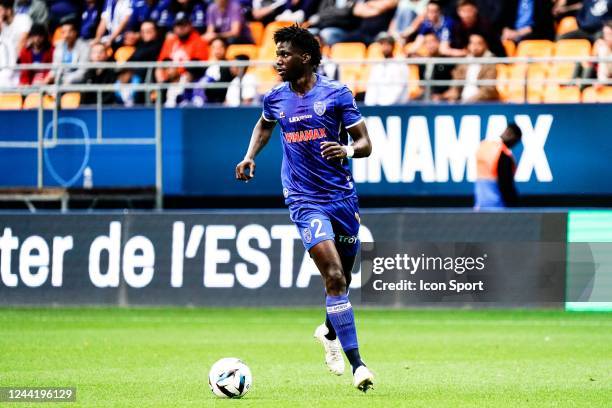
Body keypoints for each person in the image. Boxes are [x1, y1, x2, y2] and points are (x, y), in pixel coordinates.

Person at [235, 25, 374, 392]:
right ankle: (358, 364)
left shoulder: (337, 94)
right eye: (277, 52)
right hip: (303, 199)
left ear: (306, 57)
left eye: (284, 54)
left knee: (344, 275)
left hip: (342, 198)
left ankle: (329, 331)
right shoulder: (275, 97)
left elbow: (365, 144)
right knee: (334, 276)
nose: (277, 60)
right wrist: (250, 156)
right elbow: (265, 126)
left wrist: (346, 150)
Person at [474, 123, 522, 209]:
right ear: (510, 134)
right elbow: (506, 186)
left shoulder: (484, 146)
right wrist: (516, 207)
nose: (514, 144)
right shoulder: (503, 155)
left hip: (480, 207)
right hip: (498, 209)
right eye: (516, 141)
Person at [441, 33, 499, 102]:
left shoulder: (490, 63)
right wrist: (446, 96)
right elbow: (456, 85)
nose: (475, 46)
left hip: (482, 104)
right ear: (468, 46)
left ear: (485, 45)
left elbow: (488, 89)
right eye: (472, 43)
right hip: (462, 101)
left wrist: (470, 101)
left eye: (479, 43)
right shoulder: (463, 63)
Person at [364, 32, 409, 105]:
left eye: (387, 44)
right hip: (379, 107)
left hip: (397, 107)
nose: (384, 47)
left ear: (392, 46)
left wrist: (386, 106)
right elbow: (372, 87)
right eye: (382, 44)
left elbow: (399, 87)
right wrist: (370, 106)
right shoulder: (377, 65)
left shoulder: (400, 63)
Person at [45, 18, 89, 84]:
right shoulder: (59, 46)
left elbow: (83, 71)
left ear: (75, 32)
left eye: (69, 32)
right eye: (63, 32)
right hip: (60, 82)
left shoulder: (84, 47)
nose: (66, 35)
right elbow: (55, 68)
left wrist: (66, 80)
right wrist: (49, 77)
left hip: (77, 84)